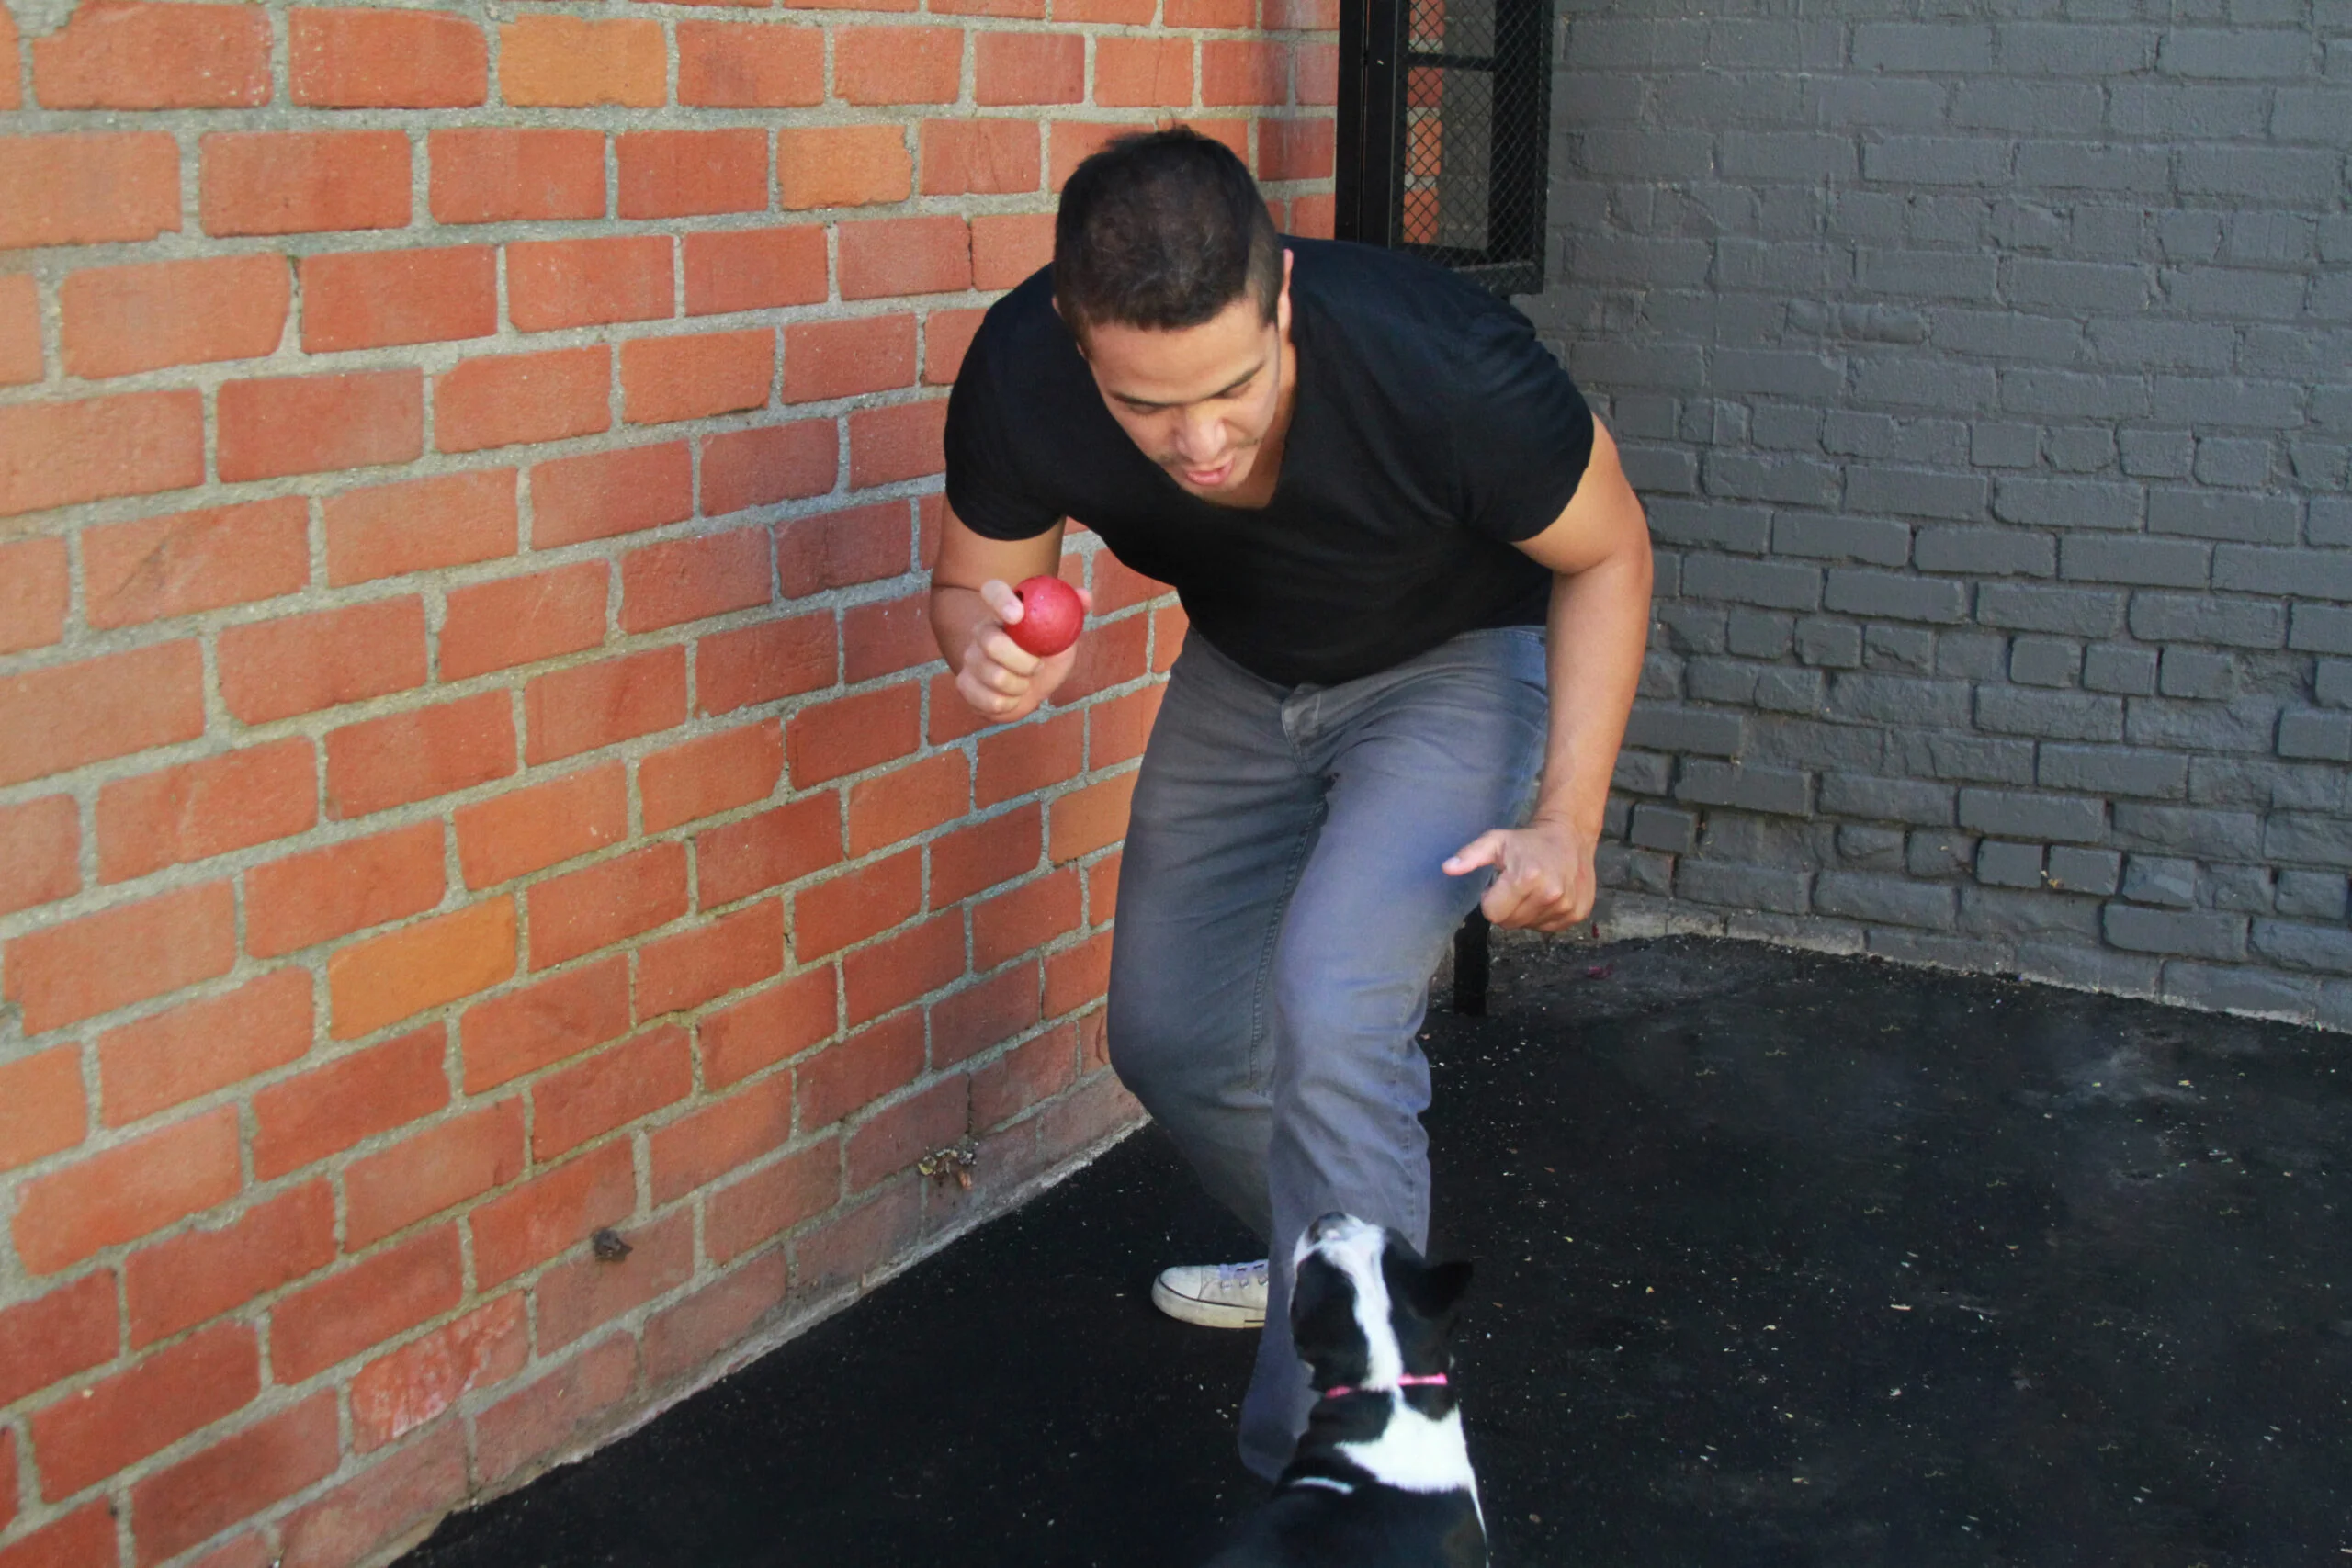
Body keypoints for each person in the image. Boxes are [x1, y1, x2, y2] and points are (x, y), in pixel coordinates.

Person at [928, 128, 1651, 1481]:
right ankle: (1326, 1252)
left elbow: (1610, 552)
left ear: (1283, 303)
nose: (1197, 439)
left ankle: (1368, 1467)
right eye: (1147, 407)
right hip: (1248, 668)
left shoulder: (1443, 359)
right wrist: (982, 640)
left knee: (1333, 1004)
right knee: (1171, 1035)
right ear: (1081, 343)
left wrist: (1569, 815)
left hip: (1452, 664)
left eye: (1234, 385)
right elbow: (971, 582)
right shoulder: (1025, 370)